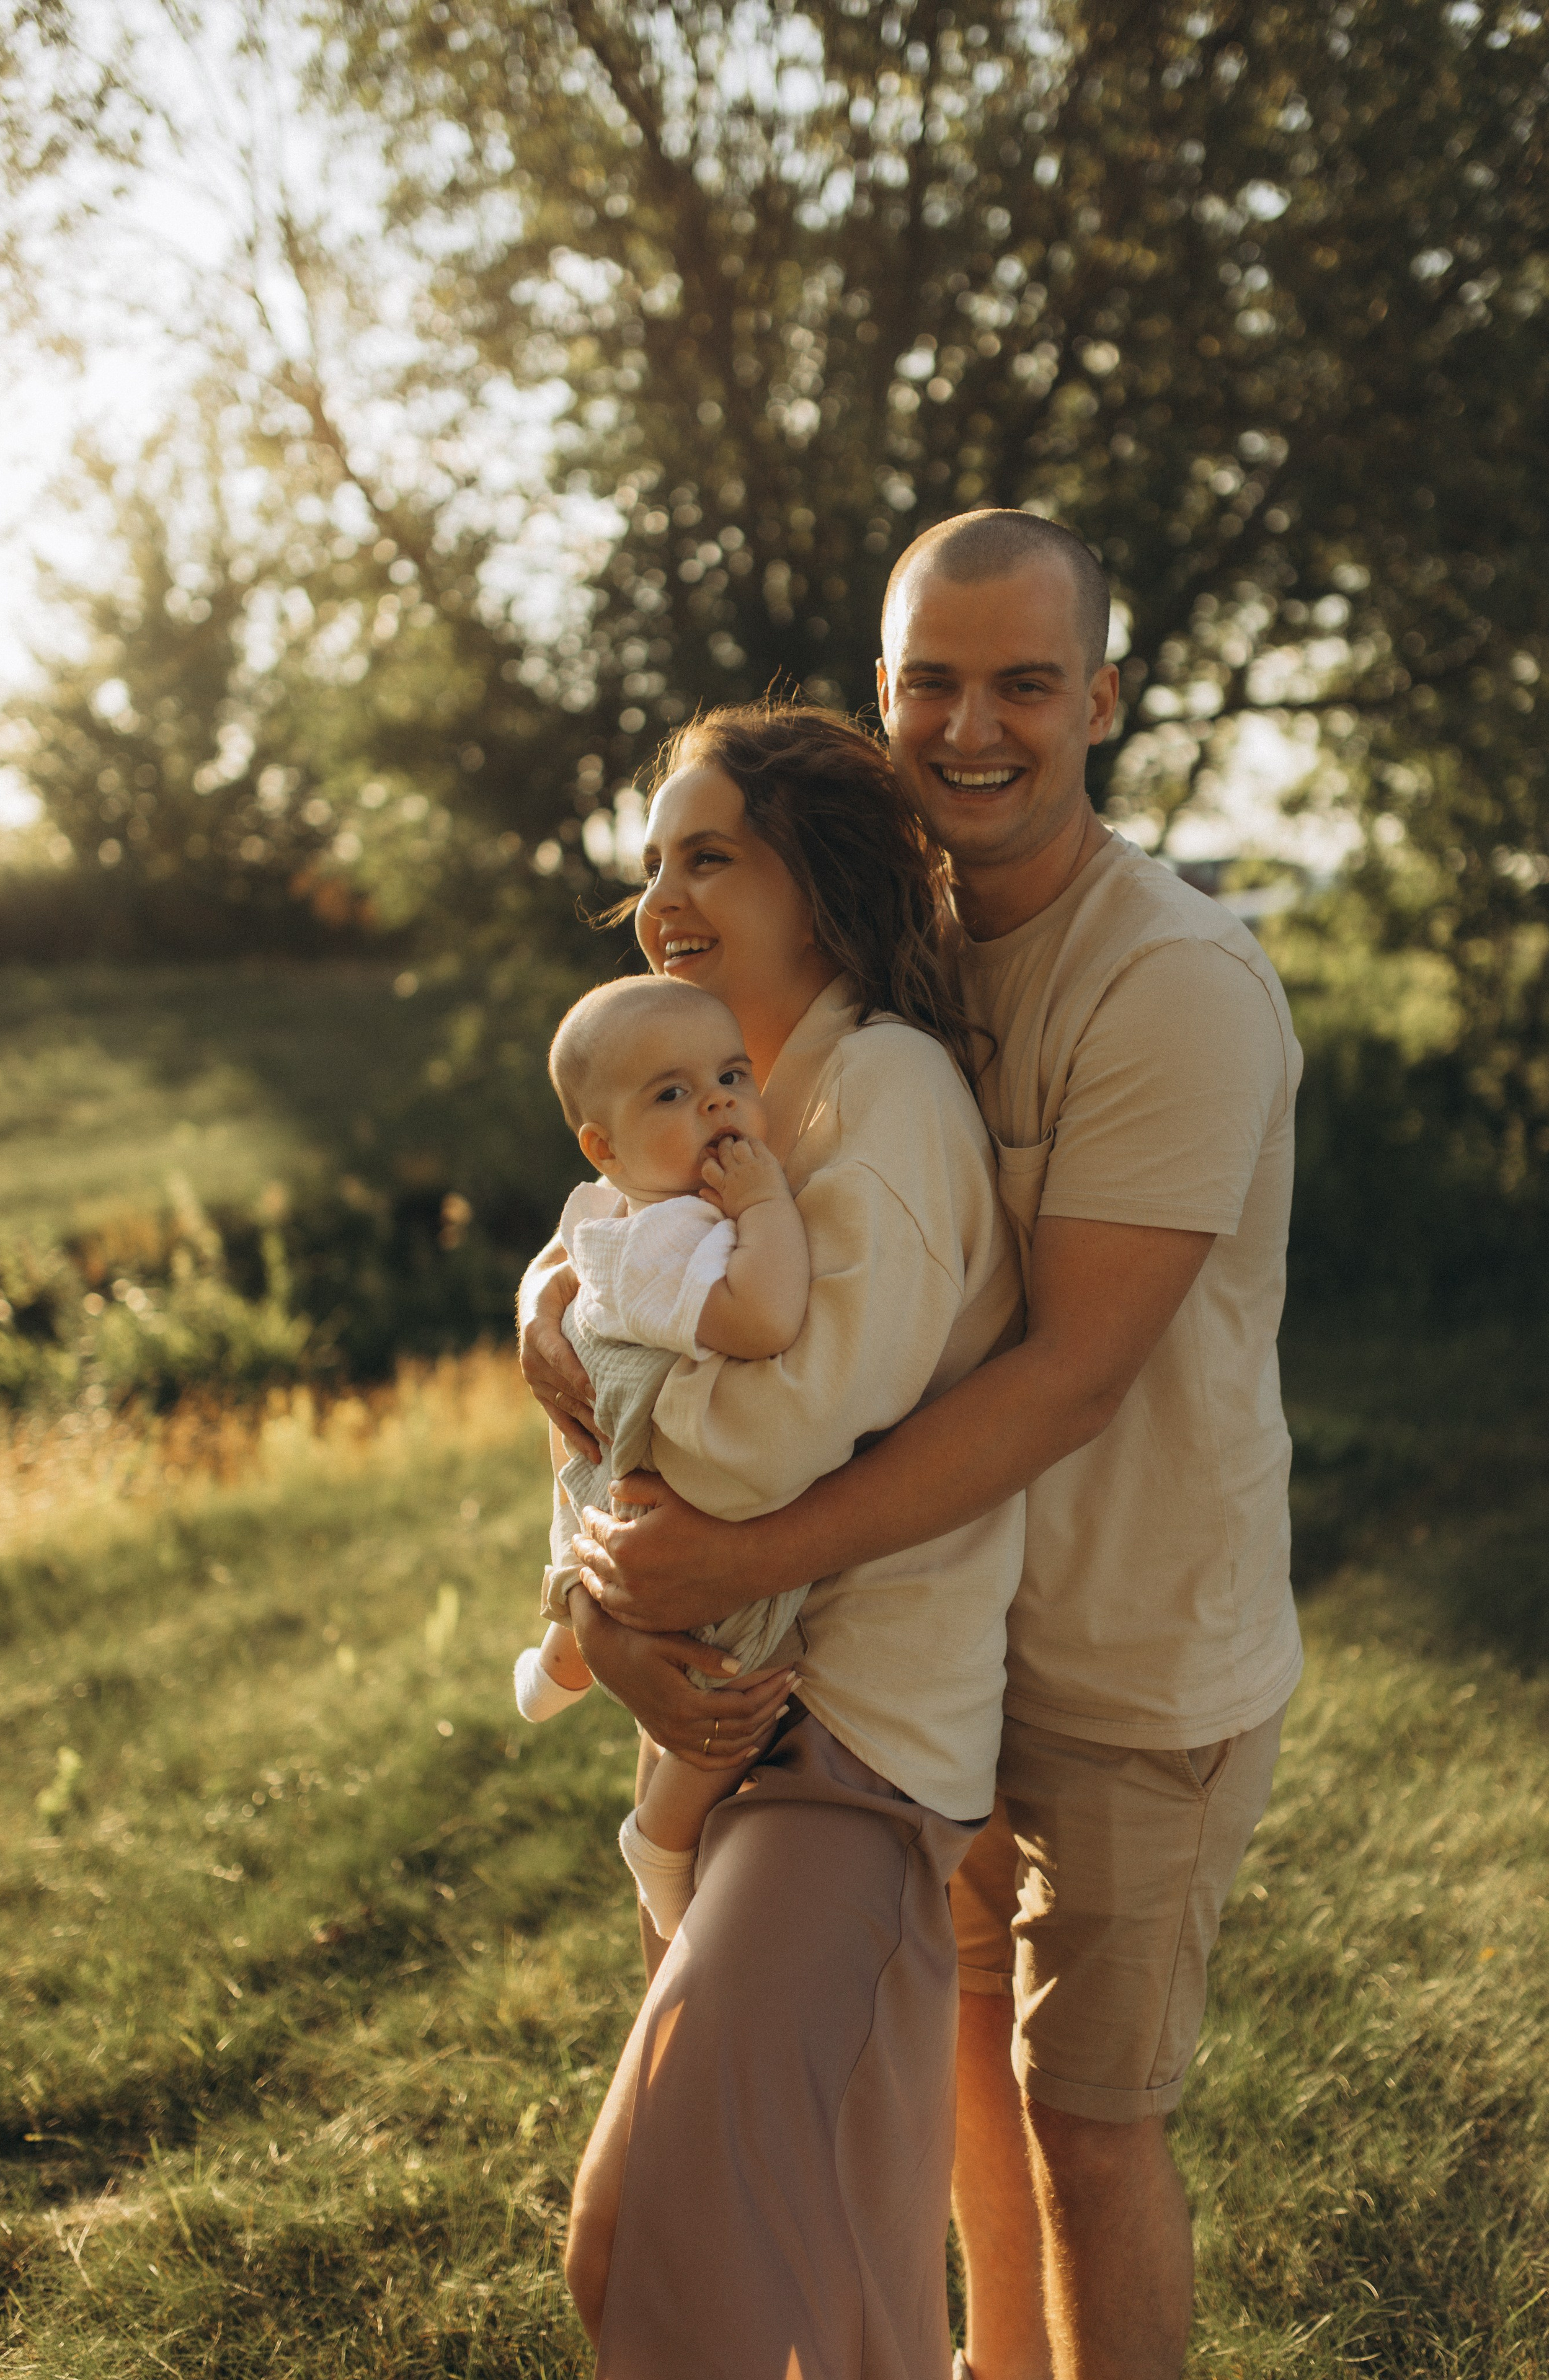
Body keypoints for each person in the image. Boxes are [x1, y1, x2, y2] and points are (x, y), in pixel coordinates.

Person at [548, 512, 1303, 2380]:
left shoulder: (1171, 983)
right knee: (945, 2091)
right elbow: (667, 1257)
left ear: (1102, 699)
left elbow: (1065, 1380)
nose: (976, 722)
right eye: (933, 683)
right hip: (929, 1637)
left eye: (1025, 680)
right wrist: (565, 1377)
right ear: (885, 708)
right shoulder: (884, 967)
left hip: (1127, 1645)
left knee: (1090, 2115)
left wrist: (694, 1560)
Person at [519, 704, 1025, 2378]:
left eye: (708, 853)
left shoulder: (875, 1086)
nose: (663, 891)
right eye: (654, 857)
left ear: (814, 880)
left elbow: (782, 1423)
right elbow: (602, 1304)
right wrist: (565, 1354)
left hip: (856, 1738)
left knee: (663, 2246)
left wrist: (588, 1396)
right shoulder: (726, 1101)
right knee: (841, 2281)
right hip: (772, 1736)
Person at [513, 974, 814, 1942]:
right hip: (672, 1493)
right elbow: (763, 1316)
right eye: (673, 1094)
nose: (720, 1102)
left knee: (579, 1519)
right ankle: (664, 1832)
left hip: (626, 1470)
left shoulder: (610, 1208)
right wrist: (767, 1205)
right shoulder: (669, 1236)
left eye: (732, 1074)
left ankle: (559, 1658)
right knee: (749, 1675)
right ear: (604, 1144)